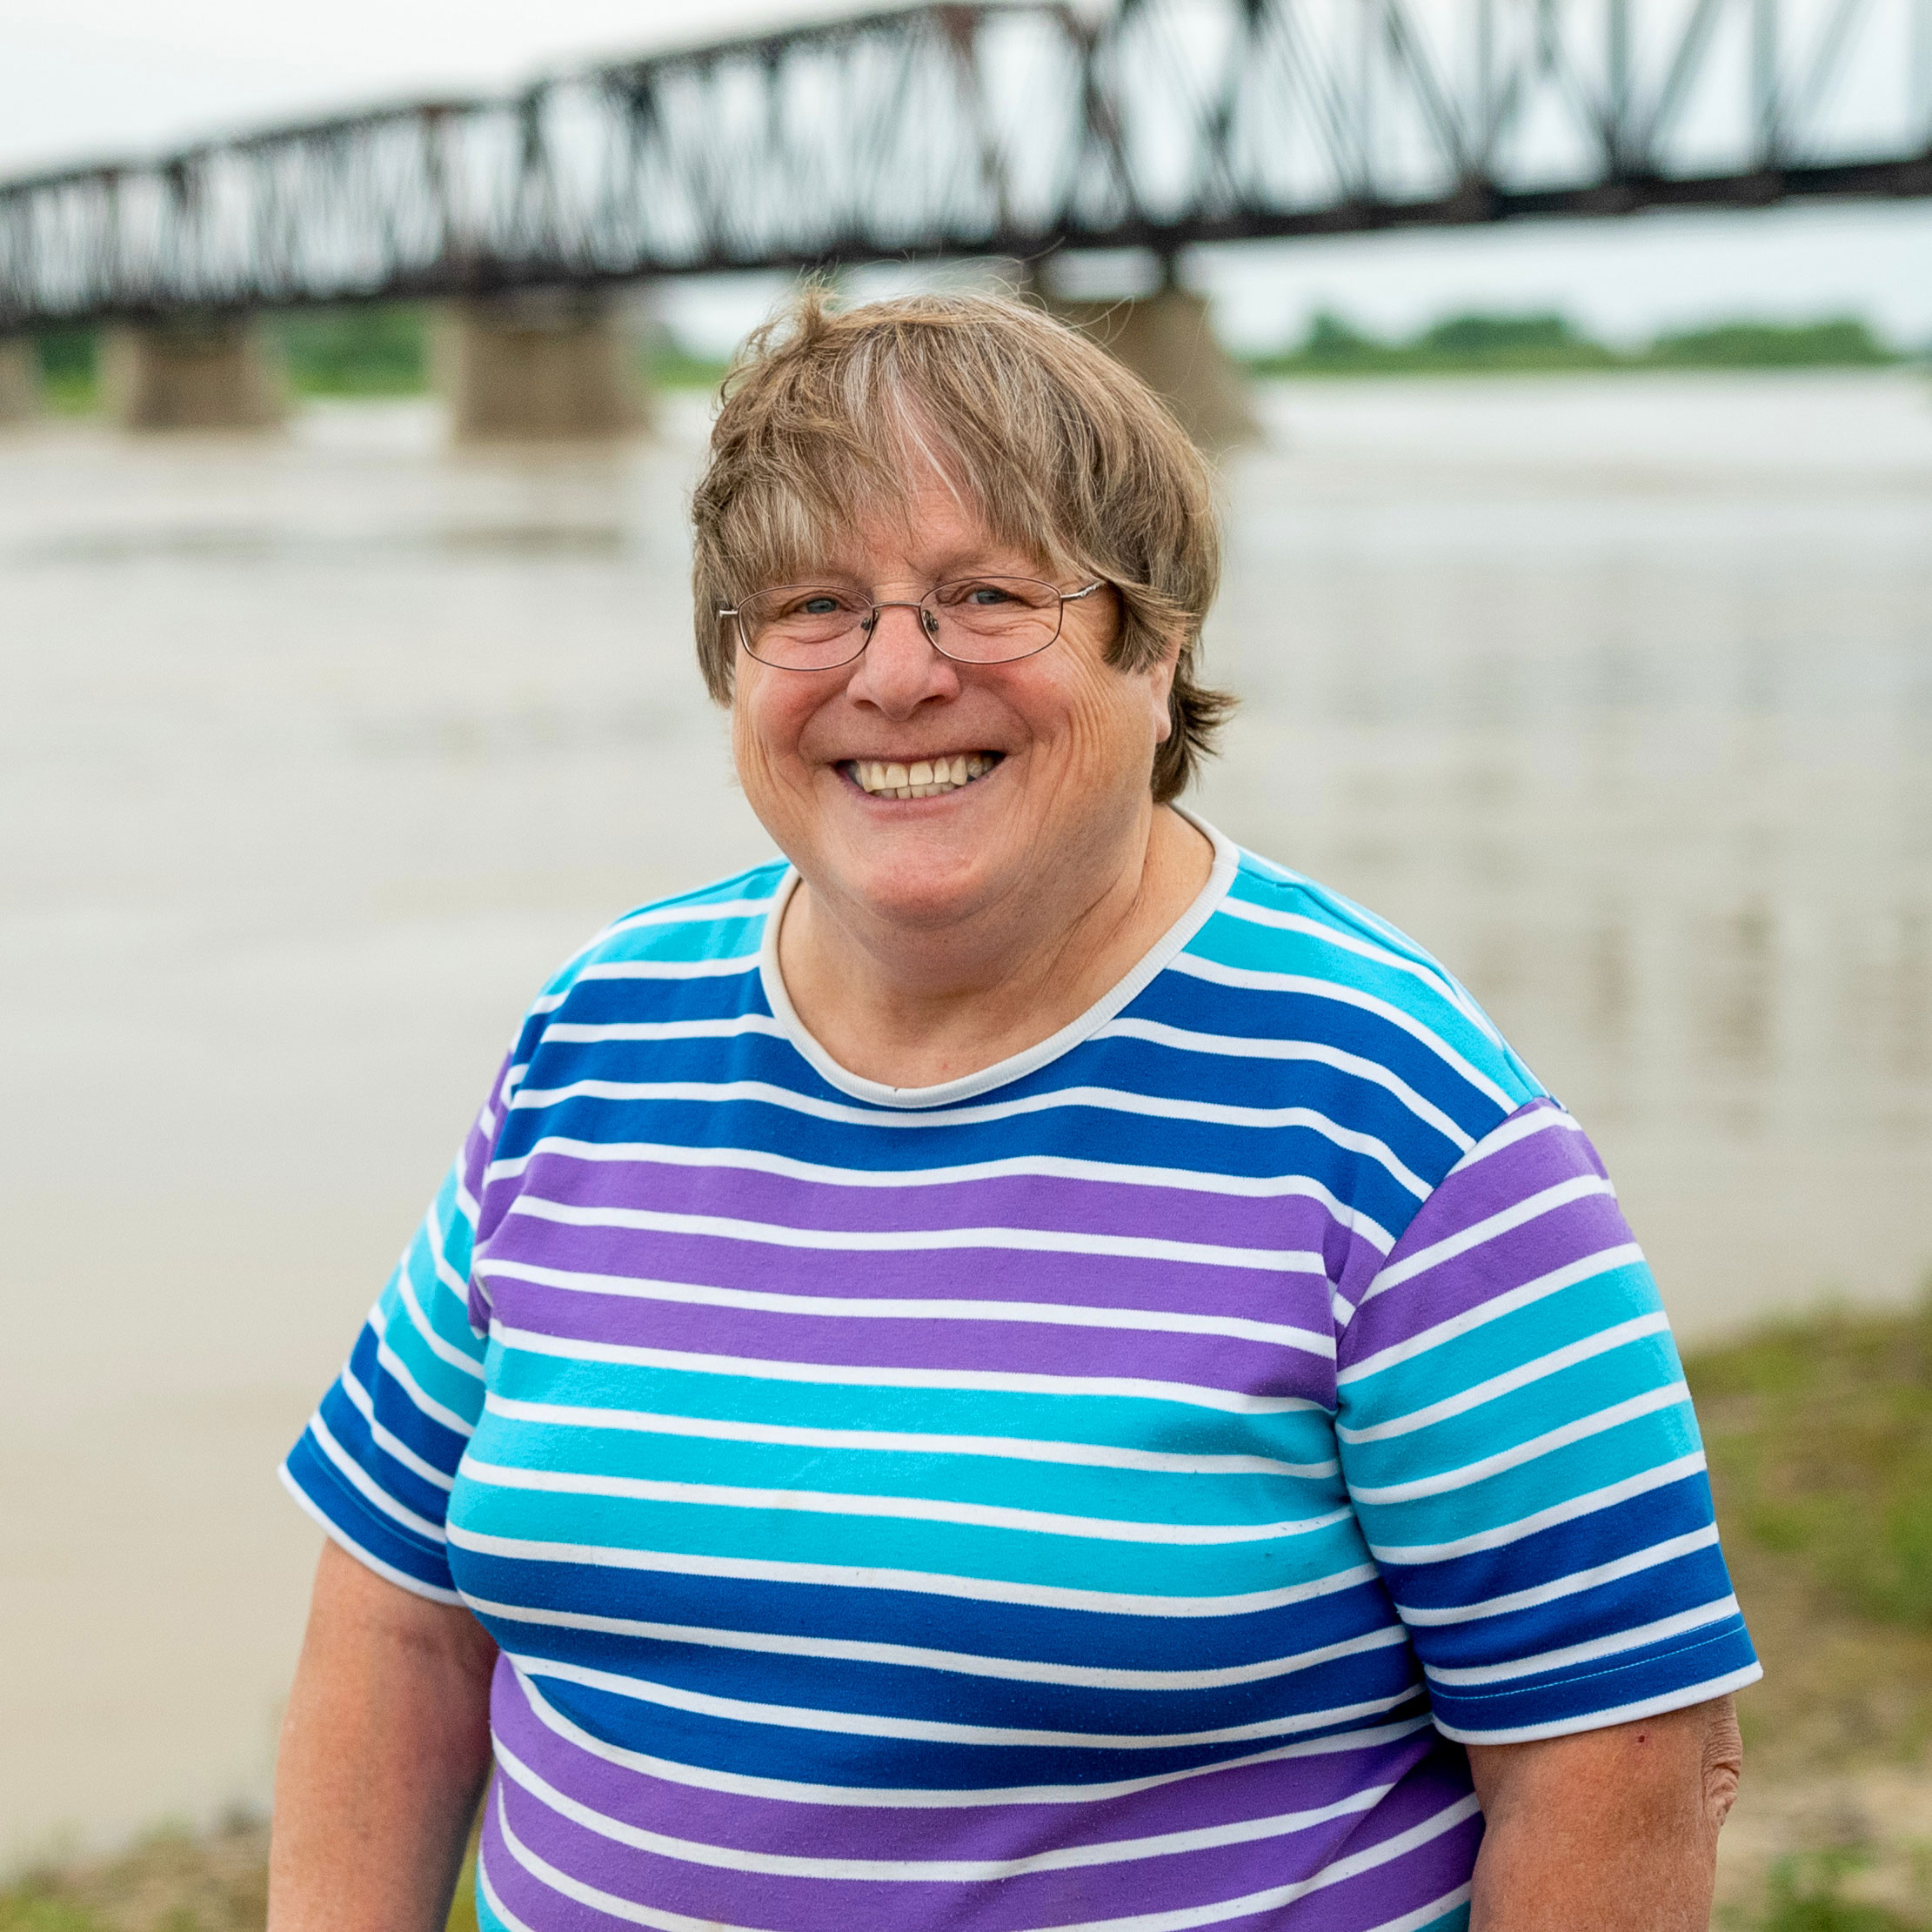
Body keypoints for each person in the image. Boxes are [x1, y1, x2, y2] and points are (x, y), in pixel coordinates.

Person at [268, 291, 1757, 1932]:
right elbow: (400, 1606)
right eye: (812, 605)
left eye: (985, 595)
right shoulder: (597, 1037)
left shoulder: (1394, 1114)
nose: (895, 675)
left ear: (1156, 636)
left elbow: (1613, 1749)